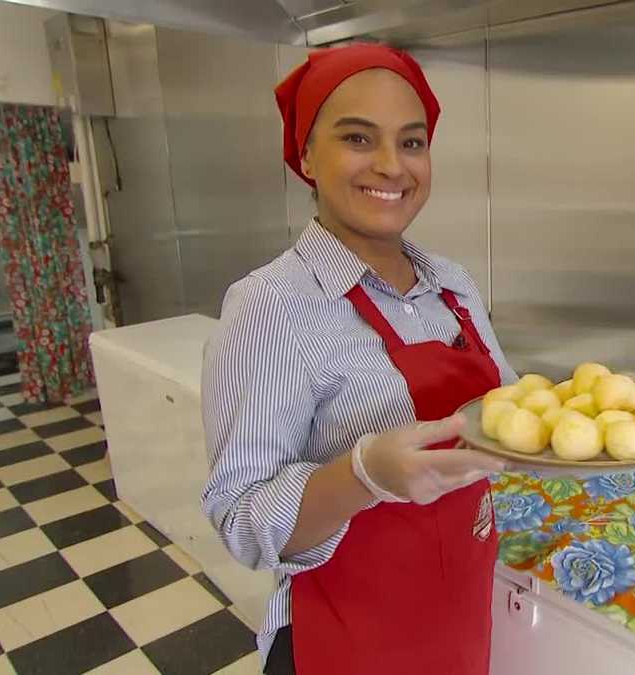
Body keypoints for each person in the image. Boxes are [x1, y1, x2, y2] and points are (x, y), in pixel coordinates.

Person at [200, 44, 514, 675]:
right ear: (307, 155)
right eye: (357, 138)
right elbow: (241, 518)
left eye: (413, 142)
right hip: (346, 639)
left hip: (458, 615)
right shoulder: (270, 307)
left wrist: (595, 411)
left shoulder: (451, 285)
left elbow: (505, 412)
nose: (391, 166)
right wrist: (364, 476)